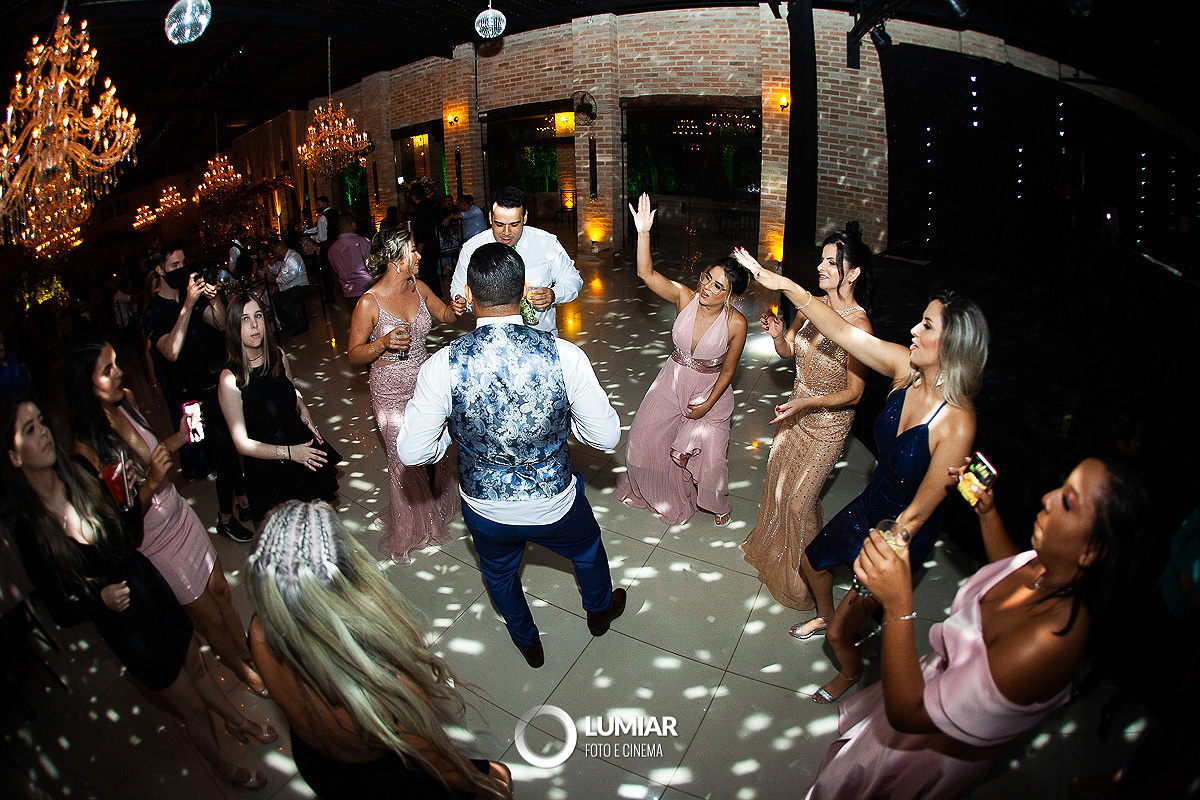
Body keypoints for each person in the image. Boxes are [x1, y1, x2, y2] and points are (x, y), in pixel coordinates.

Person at [805, 457, 1147, 799]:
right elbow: (1009, 569)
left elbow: (911, 714)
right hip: (933, 685)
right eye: (1061, 485)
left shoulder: (1046, 644)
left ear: (1091, 551)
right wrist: (988, 513)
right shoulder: (1048, 567)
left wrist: (898, 604)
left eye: (1068, 502)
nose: (1048, 498)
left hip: (928, 747)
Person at [741, 248, 987, 704]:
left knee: (843, 632)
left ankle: (849, 672)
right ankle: (826, 614)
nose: (913, 330)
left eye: (926, 326)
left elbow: (920, 511)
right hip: (873, 501)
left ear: (953, 345)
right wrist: (786, 286)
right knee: (813, 561)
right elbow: (841, 332)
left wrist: (879, 556)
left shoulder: (958, 421)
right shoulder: (904, 368)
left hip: (903, 530)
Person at [3, 398, 276, 790]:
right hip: (128, 628)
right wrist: (98, 600)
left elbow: (128, 535)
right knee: (193, 709)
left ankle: (239, 722)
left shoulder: (80, 474)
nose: (44, 432)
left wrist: (134, 493)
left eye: (42, 420)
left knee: (199, 668)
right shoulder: (30, 531)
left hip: (150, 589)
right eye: (29, 429)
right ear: (14, 457)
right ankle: (225, 769)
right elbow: (60, 609)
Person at [398, 243, 626, 668]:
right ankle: (599, 612)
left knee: (500, 575)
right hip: (554, 501)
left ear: (469, 293)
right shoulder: (565, 355)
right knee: (588, 550)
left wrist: (453, 439)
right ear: (523, 291)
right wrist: (564, 429)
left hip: (485, 506)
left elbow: (412, 450)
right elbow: (606, 436)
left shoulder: (442, 364)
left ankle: (528, 641)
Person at [246, 501, 513, 799]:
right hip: (388, 781)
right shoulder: (386, 686)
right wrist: (487, 787)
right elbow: (443, 768)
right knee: (501, 776)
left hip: (317, 765)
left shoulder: (258, 630)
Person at [67, 335, 265, 695]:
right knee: (209, 620)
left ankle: (245, 649)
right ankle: (241, 671)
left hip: (178, 514)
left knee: (221, 590)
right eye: (108, 369)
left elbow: (152, 454)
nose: (120, 372)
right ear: (86, 383)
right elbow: (118, 522)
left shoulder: (126, 400)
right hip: (152, 540)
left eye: (116, 363)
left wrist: (180, 437)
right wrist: (151, 482)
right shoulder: (87, 449)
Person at [741, 225, 875, 609]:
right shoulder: (811, 306)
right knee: (782, 489)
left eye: (832, 262)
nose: (821, 267)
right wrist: (778, 335)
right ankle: (784, 560)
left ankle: (811, 585)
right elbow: (787, 352)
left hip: (827, 424)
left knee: (801, 503)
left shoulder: (860, 325)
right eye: (822, 259)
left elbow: (856, 392)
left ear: (853, 273)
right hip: (795, 410)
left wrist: (809, 404)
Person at [616, 194, 749, 527]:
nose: (706, 287)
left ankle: (718, 502)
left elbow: (729, 369)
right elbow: (646, 273)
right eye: (706, 278)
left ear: (731, 296)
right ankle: (658, 489)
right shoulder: (684, 296)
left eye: (717, 286)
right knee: (642, 439)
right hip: (672, 379)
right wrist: (643, 232)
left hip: (709, 391)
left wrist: (708, 404)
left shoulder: (736, 323)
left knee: (712, 458)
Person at [347, 227, 461, 563]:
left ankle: (438, 506)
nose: (419, 255)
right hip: (389, 389)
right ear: (396, 258)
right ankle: (412, 526)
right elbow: (353, 354)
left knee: (435, 446)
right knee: (402, 457)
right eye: (413, 250)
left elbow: (446, 316)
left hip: (424, 384)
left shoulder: (419, 288)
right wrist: (382, 343)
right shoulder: (369, 302)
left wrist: (456, 308)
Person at [141, 242, 253, 541]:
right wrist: (188, 305)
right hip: (187, 396)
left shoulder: (193, 296)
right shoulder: (154, 312)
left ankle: (243, 502)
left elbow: (221, 324)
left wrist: (214, 299)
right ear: (160, 270)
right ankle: (225, 518)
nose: (181, 270)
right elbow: (171, 350)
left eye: (183, 263)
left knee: (230, 447)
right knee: (222, 453)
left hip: (214, 382)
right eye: (174, 266)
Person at [218, 294, 340, 525]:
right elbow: (241, 443)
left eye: (258, 316)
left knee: (316, 523)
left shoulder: (278, 355)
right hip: (269, 465)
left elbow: (291, 392)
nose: (254, 325)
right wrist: (290, 453)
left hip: (301, 449)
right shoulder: (231, 378)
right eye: (245, 319)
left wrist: (303, 409)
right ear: (234, 327)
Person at [450, 186, 583, 336]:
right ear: (490, 218)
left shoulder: (546, 243)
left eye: (514, 225)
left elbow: (573, 280)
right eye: (499, 224)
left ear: (524, 217)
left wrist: (554, 294)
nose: (506, 232)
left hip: (540, 337)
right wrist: (462, 302)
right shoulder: (472, 247)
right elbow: (458, 288)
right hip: (492, 338)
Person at [327, 214, 374, 310]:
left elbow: (335, 270)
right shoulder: (363, 241)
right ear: (353, 224)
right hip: (367, 287)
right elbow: (372, 264)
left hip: (348, 290)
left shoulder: (332, 249)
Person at [271, 236, 310, 335]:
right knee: (275, 298)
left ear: (281, 250)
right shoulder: (284, 259)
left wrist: (276, 281)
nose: (275, 255)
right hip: (289, 287)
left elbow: (292, 275)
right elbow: (277, 271)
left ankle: (301, 324)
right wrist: (271, 265)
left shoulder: (293, 257)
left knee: (285, 301)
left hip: (299, 286)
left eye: (276, 253)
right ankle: (288, 322)